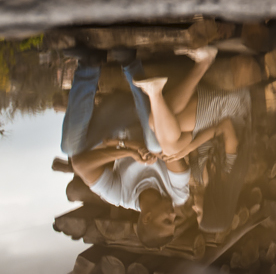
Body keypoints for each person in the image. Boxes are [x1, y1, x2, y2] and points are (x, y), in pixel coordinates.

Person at [64, 46, 217, 248]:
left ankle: (89, 64)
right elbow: (169, 154)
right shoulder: (178, 196)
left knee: (69, 148)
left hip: (117, 114)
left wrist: (128, 150)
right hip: (154, 112)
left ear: (147, 218)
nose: (173, 214)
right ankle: (130, 63)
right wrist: (140, 150)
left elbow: (79, 164)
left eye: (166, 220)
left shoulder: (118, 195)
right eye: (175, 220)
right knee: (155, 145)